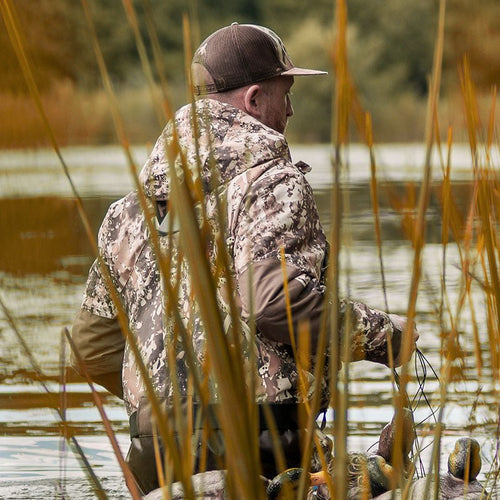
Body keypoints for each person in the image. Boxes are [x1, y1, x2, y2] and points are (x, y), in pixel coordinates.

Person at [70, 22, 418, 494]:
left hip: (152, 451)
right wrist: (385, 337)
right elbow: (271, 302)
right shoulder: (273, 184)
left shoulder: (126, 212)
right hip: (263, 440)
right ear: (253, 100)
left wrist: (164, 405)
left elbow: (90, 350)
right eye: (285, 92)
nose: (291, 108)